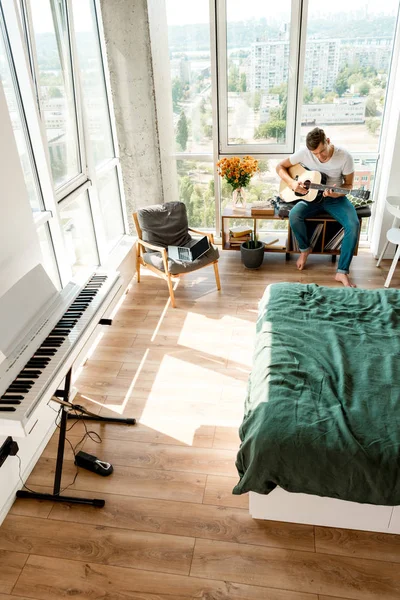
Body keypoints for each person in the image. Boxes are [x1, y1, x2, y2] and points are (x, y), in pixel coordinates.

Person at [276, 127, 360, 288]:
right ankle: (305, 249)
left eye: (322, 151)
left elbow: (349, 185)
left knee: (353, 224)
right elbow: (280, 167)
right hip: (311, 198)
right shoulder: (303, 153)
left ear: (327, 141)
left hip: (334, 199)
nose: (320, 157)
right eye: (315, 154)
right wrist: (292, 183)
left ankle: (342, 272)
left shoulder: (345, 157)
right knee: (294, 215)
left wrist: (337, 193)